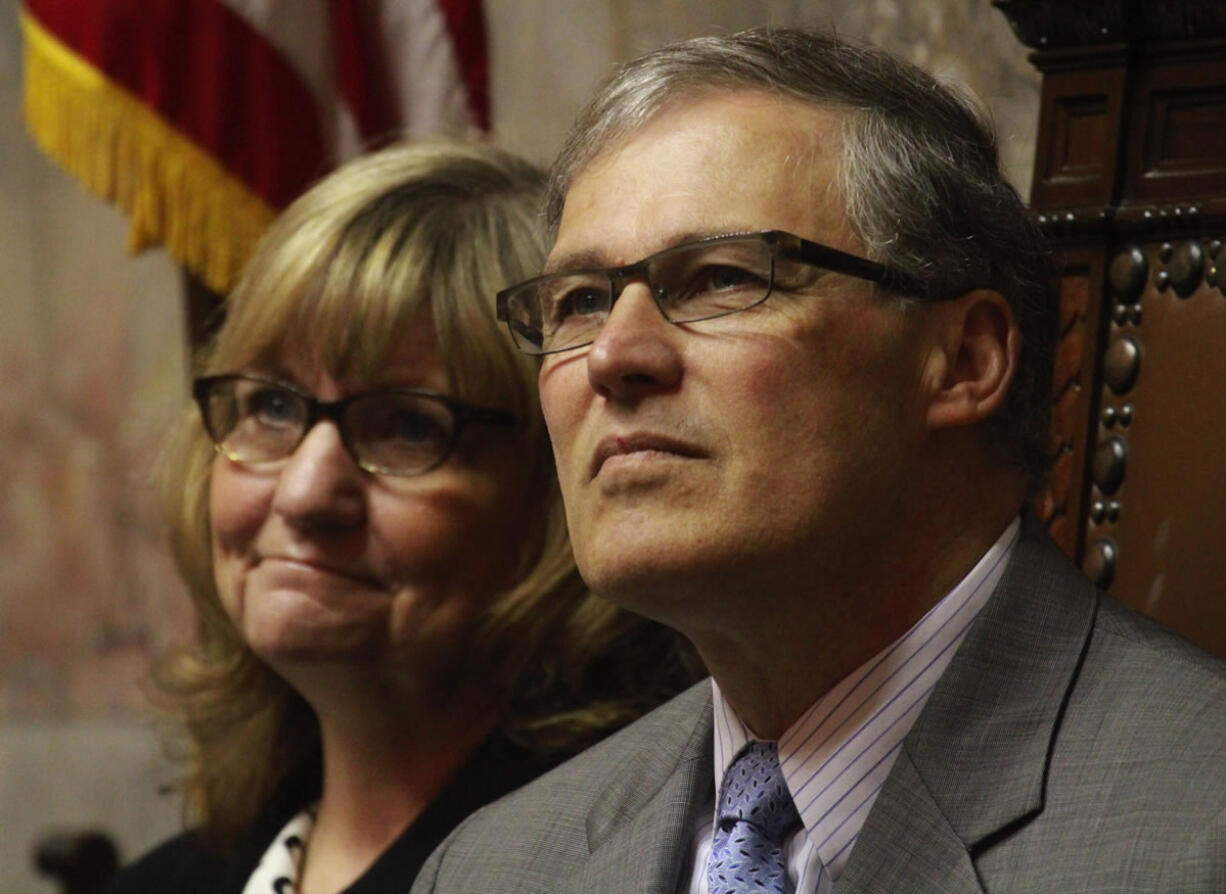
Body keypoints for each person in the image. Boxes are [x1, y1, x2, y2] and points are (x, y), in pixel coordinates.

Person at [413, 27, 1226, 894]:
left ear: (963, 360)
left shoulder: (1197, 829)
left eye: (723, 277)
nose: (613, 356)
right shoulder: (494, 865)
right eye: (578, 302)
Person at [106, 142, 700, 894]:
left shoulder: (658, 864)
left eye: (409, 428)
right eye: (273, 406)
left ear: (555, 491)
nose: (306, 495)